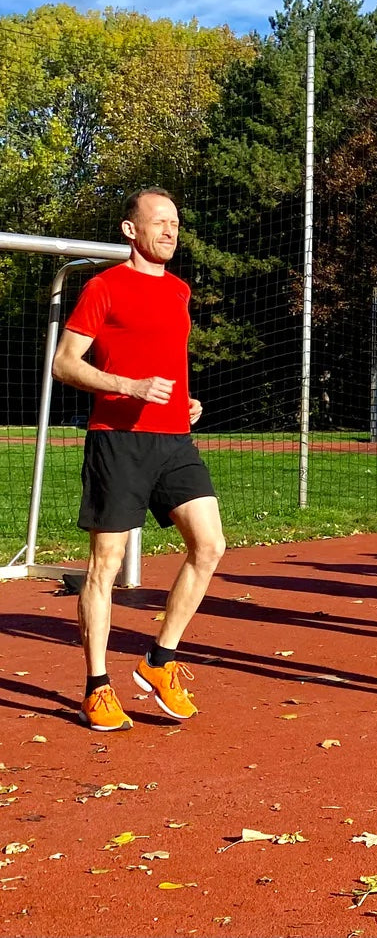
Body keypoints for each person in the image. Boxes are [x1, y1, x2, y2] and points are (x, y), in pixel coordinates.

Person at [52, 188, 225, 732]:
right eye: (160, 222)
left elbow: (168, 360)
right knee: (104, 567)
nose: (171, 231)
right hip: (117, 441)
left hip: (174, 439)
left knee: (210, 545)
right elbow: (64, 363)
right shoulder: (104, 288)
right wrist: (128, 385)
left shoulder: (179, 291)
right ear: (132, 231)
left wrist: (185, 399)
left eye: (176, 222)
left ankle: (159, 660)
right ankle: (97, 688)